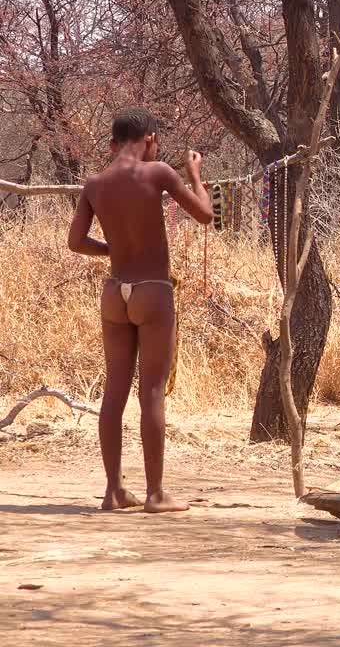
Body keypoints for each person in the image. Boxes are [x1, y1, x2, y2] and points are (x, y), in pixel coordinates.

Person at [67, 107, 213, 513]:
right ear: (149, 138)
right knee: (151, 392)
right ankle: (155, 493)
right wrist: (196, 174)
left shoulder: (95, 184)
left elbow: (76, 242)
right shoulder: (160, 172)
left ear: (115, 141)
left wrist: (113, 249)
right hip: (152, 290)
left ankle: (113, 490)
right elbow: (205, 214)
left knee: (114, 391)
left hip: (115, 292)